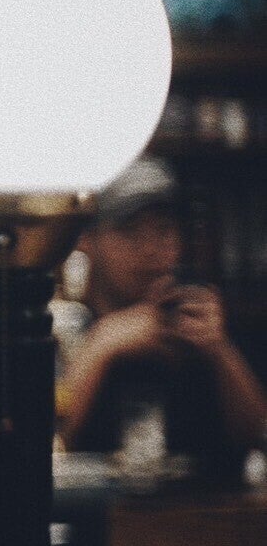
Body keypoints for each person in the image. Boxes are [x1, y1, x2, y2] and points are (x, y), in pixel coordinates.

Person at [59, 157, 267, 481]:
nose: (150, 249)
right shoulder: (63, 327)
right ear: (87, 239)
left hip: (193, 512)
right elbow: (41, 450)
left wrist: (220, 352)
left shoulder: (196, 324)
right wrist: (102, 345)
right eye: (130, 231)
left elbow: (257, 441)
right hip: (95, 513)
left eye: (164, 230)